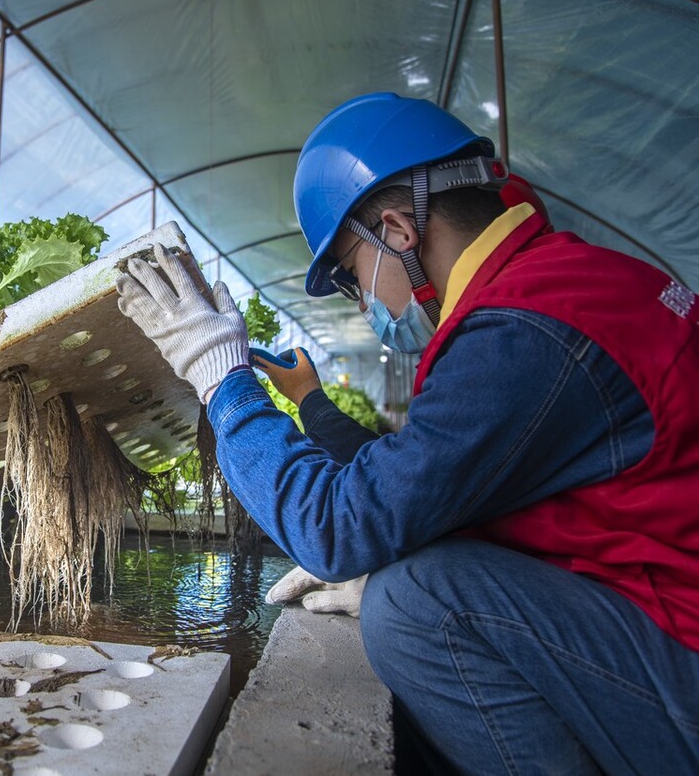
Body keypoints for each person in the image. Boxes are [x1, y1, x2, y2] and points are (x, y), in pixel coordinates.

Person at [116, 92, 699, 774]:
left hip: (681, 648)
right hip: (657, 617)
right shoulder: (565, 287)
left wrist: (220, 375)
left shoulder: (522, 332)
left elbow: (340, 526)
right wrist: (308, 400)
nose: (362, 304)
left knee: (415, 603)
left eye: (349, 276)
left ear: (396, 229)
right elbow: (412, 481)